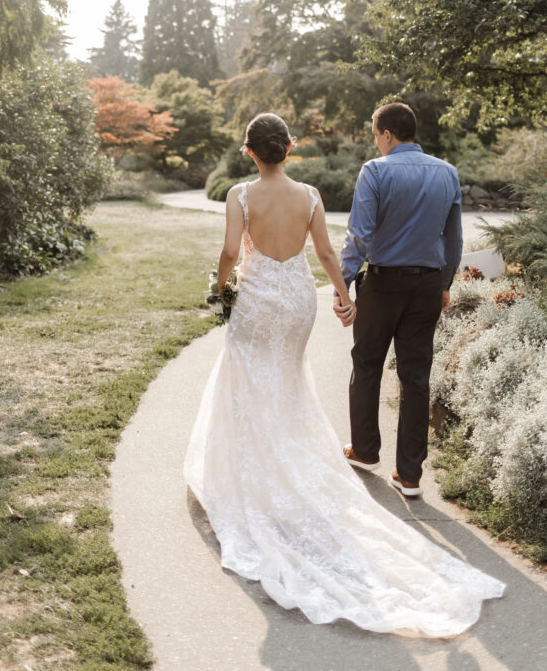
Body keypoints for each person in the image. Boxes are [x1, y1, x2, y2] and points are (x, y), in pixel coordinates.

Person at [184, 112, 505, 637]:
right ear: (289, 148)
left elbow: (241, 250)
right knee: (377, 377)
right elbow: (339, 249)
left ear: (250, 151)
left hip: (289, 295)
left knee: (306, 373)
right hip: (329, 297)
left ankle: (322, 459)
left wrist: (227, 290)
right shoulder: (325, 191)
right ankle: (407, 472)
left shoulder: (251, 193)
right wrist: (353, 289)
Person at [334, 102, 462, 497]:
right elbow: (453, 238)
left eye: (376, 134)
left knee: (368, 363)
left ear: (387, 133)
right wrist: (444, 284)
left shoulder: (375, 170)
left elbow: (360, 235)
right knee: (416, 376)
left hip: (384, 283)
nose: (376, 142)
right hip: (426, 286)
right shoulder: (448, 172)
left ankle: (366, 450)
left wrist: (343, 286)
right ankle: (410, 475)